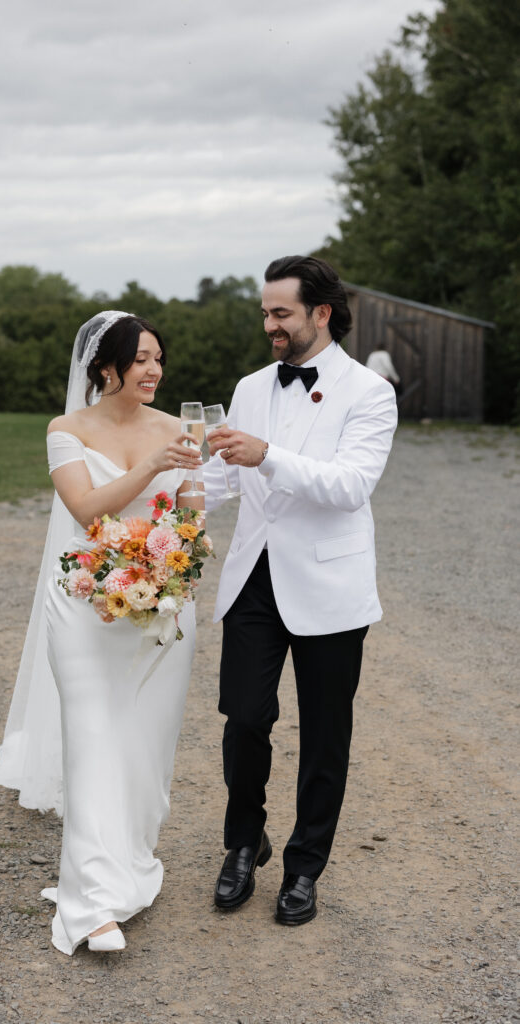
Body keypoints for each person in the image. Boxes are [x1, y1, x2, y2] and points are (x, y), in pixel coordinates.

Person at [0, 311, 203, 954]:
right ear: (106, 368)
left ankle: (130, 868)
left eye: (159, 359)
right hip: (84, 604)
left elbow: (192, 518)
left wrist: (184, 551)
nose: (154, 370)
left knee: (145, 747)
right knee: (91, 741)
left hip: (162, 608)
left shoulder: (182, 428)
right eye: (141, 359)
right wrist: (152, 468)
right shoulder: (66, 430)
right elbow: (85, 509)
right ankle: (89, 906)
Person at [204, 256, 397, 926]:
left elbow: (349, 487)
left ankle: (303, 868)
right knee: (244, 717)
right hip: (253, 578)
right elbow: (223, 479)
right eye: (264, 312)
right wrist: (166, 500)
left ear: (321, 312)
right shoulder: (251, 385)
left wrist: (268, 456)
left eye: (280, 312)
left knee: (323, 736)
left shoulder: (369, 392)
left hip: (329, 584)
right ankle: (241, 843)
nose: (269, 325)